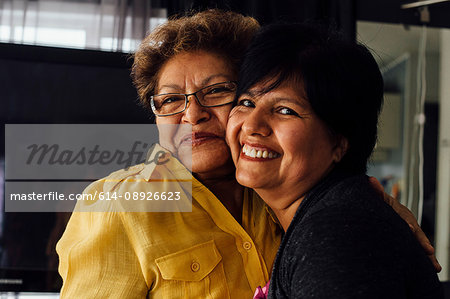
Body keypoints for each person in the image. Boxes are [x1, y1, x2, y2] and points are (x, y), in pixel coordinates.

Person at [57, 10, 439, 299]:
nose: (192, 114)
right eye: (170, 100)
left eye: (218, 91)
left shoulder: (279, 192)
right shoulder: (118, 206)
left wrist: (380, 207)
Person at [226, 23, 444, 298]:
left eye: (285, 110)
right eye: (246, 103)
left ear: (339, 143)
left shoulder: (337, 234)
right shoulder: (332, 213)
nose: (252, 126)